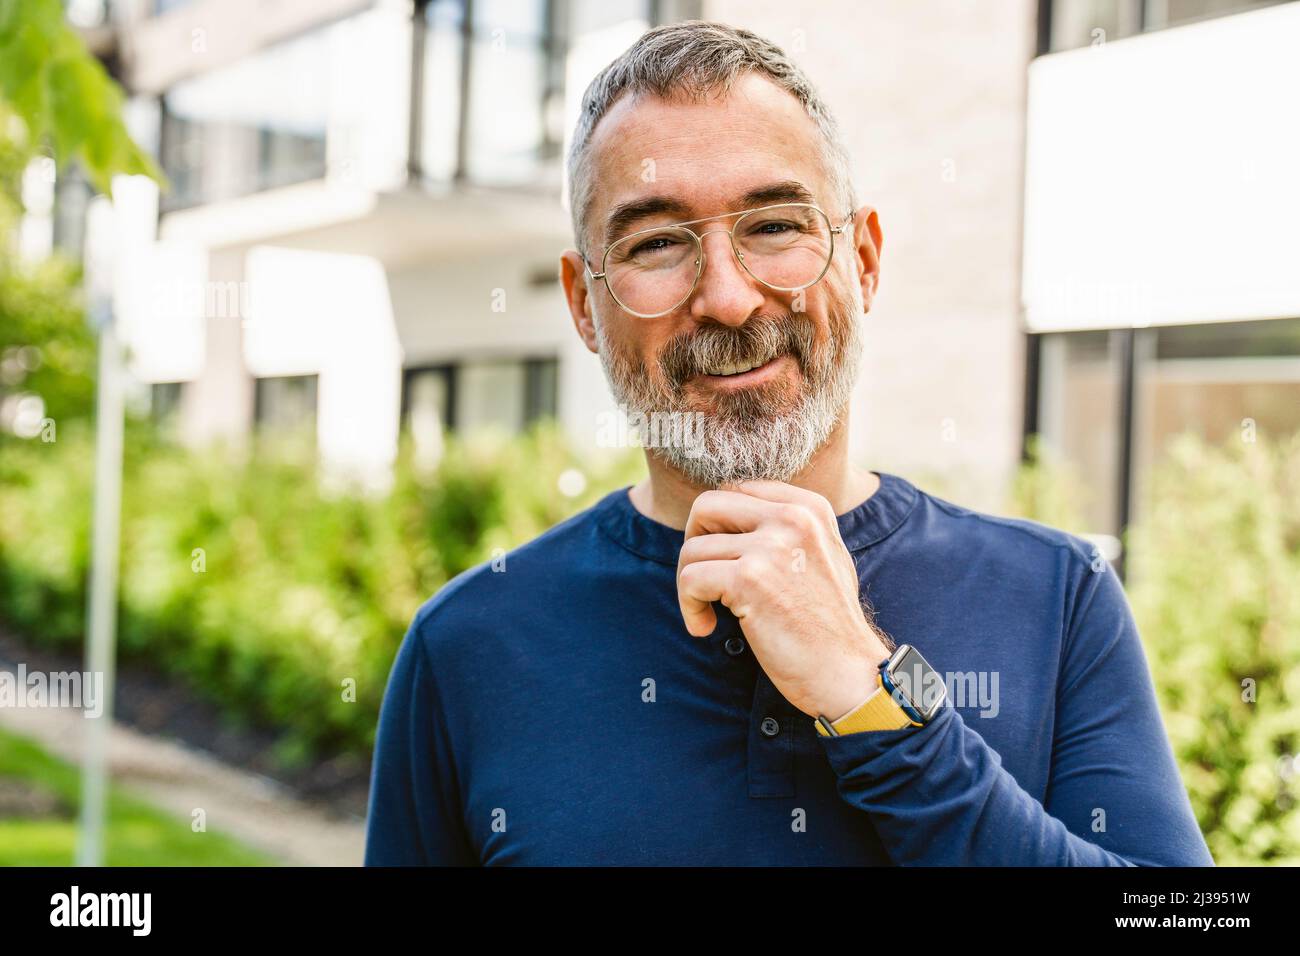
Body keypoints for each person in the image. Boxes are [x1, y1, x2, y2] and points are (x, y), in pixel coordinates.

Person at [364, 20, 1213, 866]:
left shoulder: (1059, 598)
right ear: (584, 304)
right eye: (656, 242)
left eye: (775, 225)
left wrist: (873, 698)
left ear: (866, 262)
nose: (729, 298)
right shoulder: (467, 646)